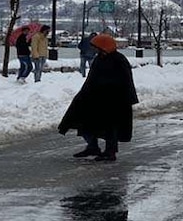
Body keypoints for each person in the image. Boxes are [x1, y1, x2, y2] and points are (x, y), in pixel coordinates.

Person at [59, 33, 139, 162]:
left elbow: (124, 81)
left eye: (96, 46)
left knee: (110, 127)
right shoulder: (99, 59)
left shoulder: (118, 60)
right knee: (85, 122)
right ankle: (92, 146)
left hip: (114, 101)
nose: (94, 49)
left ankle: (110, 151)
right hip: (95, 98)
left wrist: (108, 89)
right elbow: (92, 78)